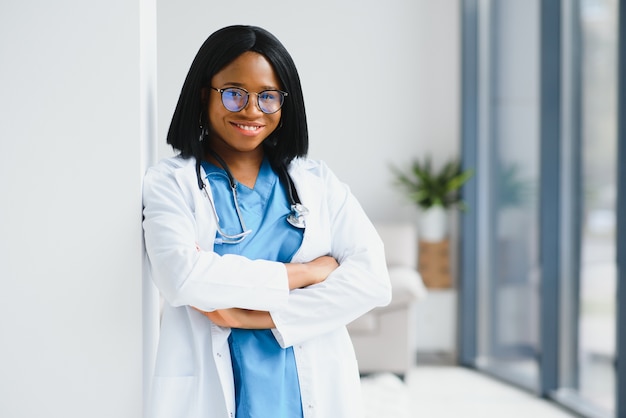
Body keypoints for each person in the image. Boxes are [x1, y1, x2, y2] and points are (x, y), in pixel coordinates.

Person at [142, 25, 391, 418]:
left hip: (310, 386)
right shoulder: (171, 183)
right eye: (234, 93)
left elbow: (373, 281)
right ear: (204, 94)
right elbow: (183, 278)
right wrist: (305, 272)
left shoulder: (316, 182)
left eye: (268, 96)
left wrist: (250, 316)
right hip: (214, 387)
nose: (252, 110)